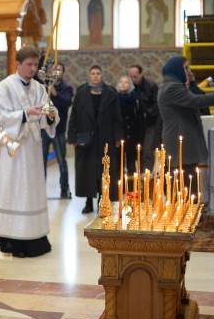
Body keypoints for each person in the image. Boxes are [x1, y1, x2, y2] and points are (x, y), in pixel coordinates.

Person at [0, 46, 59, 257]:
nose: (33, 69)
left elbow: (50, 111)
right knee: (14, 190)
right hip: (13, 149)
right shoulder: (4, 87)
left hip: (33, 149)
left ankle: (35, 236)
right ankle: (12, 240)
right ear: (17, 64)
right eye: (28, 65)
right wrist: (25, 114)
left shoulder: (39, 87)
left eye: (35, 65)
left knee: (32, 191)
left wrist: (50, 116)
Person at [158, 55, 214, 196]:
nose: (189, 71)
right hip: (180, 141)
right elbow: (196, 101)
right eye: (186, 67)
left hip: (184, 141)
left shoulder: (174, 85)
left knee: (188, 178)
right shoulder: (171, 87)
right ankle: (187, 214)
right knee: (185, 181)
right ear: (177, 69)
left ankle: (189, 212)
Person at [67, 64, 123, 214]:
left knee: (104, 170)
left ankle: (102, 200)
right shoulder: (81, 93)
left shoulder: (111, 93)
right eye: (93, 73)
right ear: (89, 75)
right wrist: (72, 136)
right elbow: (74, 116)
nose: (95, 76)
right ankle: (88, 202)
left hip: (106, 138)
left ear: (102, 75)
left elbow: (118, 117)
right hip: (86, 139)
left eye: (98, 73)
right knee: (87, 171)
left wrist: (118, 136)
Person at [41, 62, 73, 199]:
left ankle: (64, 189)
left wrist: (55, 94)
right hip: (44, 129)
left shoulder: (66, 88)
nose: (56, 72)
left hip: (59, 130)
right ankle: (40, 190)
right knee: (41, 161)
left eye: (59, 69)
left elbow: (67, 103)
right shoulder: (43, 87)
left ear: (63, 72)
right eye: (54, 69)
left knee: (61, 161)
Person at [128, 64, 159, 171]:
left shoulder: (151, 86)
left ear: (141, 74)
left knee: (148, 152)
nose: (133, 79)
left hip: (150, 123)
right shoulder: (129, 87)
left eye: (135, 76)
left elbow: (157, 104)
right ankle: (137, 177)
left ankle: (147, 175)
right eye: (131, 76)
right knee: (137, 151)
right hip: (135, 125)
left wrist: (148, 113)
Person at [117, 74, 140, 174]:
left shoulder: (135, 99)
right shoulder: (114, 99)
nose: (123, 84)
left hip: (132, 135)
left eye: (126, 82)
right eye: (121, 82)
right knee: (118, 163)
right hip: (119, 135)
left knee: (131, 164)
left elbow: (139, 119)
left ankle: (131, 187)